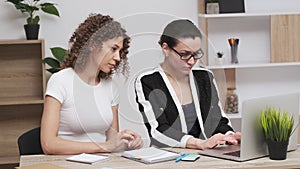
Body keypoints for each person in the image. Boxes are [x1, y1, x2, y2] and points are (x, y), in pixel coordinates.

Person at [41, 13, 143, 155]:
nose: (118, 57)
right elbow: (49, 144)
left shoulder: (110, 87)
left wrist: (127, 142)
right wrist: (104, 147)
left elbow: (111, 141)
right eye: (113, 49)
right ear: (93, 44)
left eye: (120, 51)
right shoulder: (60, 81)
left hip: (102, 163)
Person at [134, 19, 241, 150]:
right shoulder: (148, 81)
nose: (191, 61)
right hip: (168, 157)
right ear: (166, 48)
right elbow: (158, 130)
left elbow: (217, 119)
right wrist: (199, 143)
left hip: (206, 156)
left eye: (196, 54)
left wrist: (230, 136)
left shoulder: (205, 77)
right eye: (184, 54)